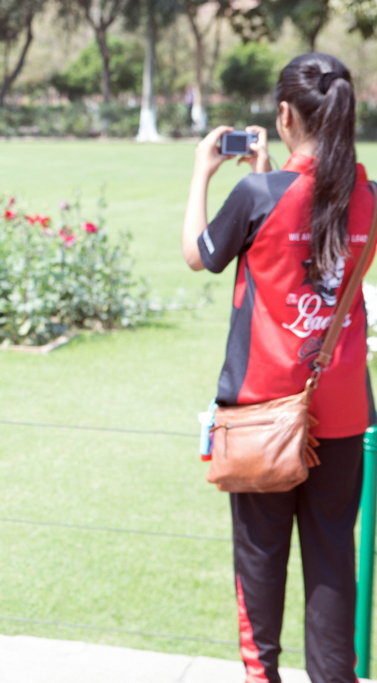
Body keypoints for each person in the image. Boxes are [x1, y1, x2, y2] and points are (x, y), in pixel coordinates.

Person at [181, 54, 375, 683]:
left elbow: (200, 254)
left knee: (260, 564)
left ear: (285, 115)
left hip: (263, 414)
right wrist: (269, 177)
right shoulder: (369, 197)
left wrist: (201, 172)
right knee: (331, 566)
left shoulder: (257, 194)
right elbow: (311, 227)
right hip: (343, 414)